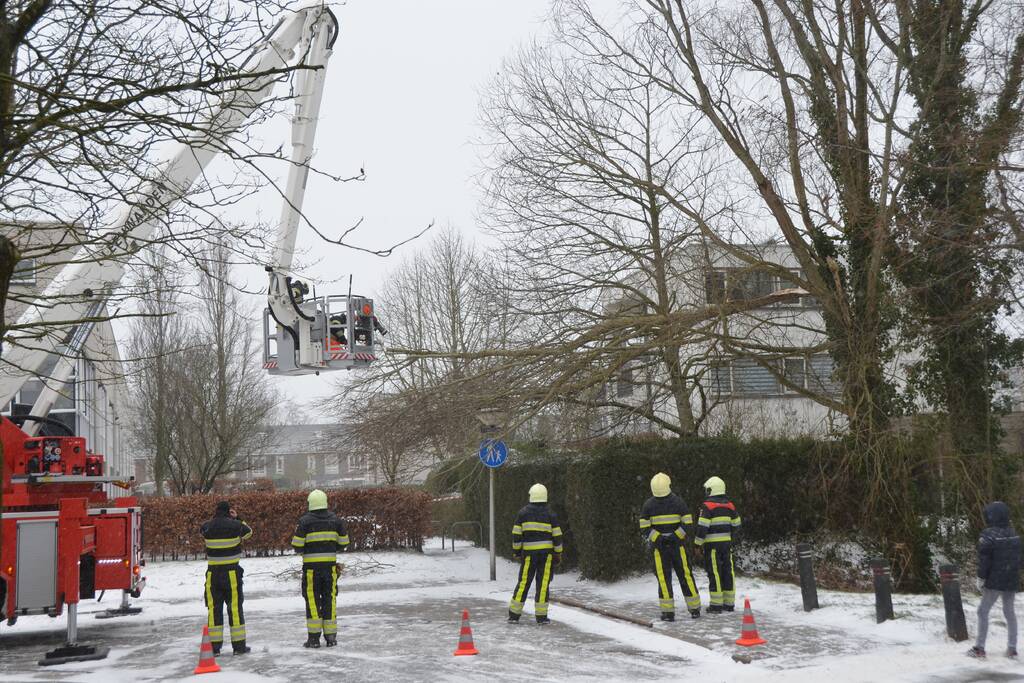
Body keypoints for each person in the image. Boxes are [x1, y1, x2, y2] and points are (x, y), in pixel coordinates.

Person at [291, 489, 350, 648]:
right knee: (330, 599)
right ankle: (331, 638)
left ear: (310, 504)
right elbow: (344, 543)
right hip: (330, 569)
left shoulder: (304, 521)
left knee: (312, 600)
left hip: (311, 570)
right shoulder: (336, 521)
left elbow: (297, 545)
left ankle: (314, 639)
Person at [640, 472, 701, 621]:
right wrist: (675, 537)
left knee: (664, 579)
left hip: (659, 549)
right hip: (677, 546)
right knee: (686, 576)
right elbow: (687, 523)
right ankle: (694, 609)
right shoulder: (679, 502)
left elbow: (644, 527)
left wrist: (659, 539)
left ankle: (668, 613)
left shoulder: (648, 505)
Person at [967, 501, 1022, 659]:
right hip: (1011, 579)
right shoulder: (1014, 534)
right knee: (1009, 612)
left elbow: (985, 560)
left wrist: (981, 577)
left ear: (991, 516)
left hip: (994, 581)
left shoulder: (988, 535)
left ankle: (979, 648)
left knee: (982, 611)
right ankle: (1012, 648)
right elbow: (1019, 559)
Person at [200, 500, 254, 655]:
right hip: (231, 574)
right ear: (229, 511)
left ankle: (214, 648)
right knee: (235, 609)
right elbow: (249, 532)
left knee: (214, 609)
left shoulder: (207, 526)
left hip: (213, 574)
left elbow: (202, 530)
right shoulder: (236, 526)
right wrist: (237, 518)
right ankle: (239, 647)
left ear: (216, 511)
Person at [508, 483, 564, 624]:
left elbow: (516, 534)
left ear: (531, 496)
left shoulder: (522, 513)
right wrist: (558, 553)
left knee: (523, 583)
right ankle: (541, 617)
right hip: (546, 556)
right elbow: (557, 536)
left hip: (528, 556)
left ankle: (514, 615)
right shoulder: (551, 514)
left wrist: (516, 551)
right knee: (543, 584)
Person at [694, 475, 741, 613]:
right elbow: (737, 524)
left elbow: (702, 527)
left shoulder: (707, 506)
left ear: (711, 490)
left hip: (712, 546)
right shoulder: (730, 505)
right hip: (726, 545)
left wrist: (697, 545)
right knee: (728, 572)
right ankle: (729, 603)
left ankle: (716, 605)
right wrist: (728, 535)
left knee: (714, 573)